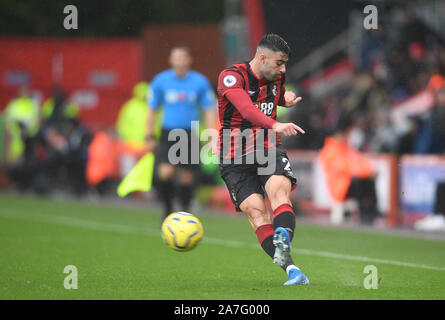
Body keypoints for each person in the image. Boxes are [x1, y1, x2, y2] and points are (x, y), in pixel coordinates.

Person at [216, 33, 309, 286]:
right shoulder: (231, 77)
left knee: (279, 192)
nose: (283, 69)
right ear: (262, 57)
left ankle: (284, 235)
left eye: (285, 63)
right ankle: (292, 270)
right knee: (257, 213)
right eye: (279, 63)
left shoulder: (277, 76)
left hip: (266, 146)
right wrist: (276, 124)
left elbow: (273, 98)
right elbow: (247, 108)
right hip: (233, 155)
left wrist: (284, 100)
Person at [146, 45, 217, 221]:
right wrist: (149, 135)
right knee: (165, 173)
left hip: (188, 132)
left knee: (187, 176)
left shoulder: (200, 82)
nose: (179, 61)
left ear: (189, 60)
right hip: (167, 132)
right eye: (176, 57)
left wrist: (212, 135)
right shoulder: (161, 81)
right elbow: (152, 110)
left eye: (183, 57)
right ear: (171, 60)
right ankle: (167, 210)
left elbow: (208, 110)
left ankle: (185, 211)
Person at [319, 114, 379, 225]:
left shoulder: (347, 148)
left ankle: (371, 212)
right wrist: (366, 172)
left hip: (349, 183)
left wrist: (370, 171)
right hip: (340, 187)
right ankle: (364, 214)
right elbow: (344, 167)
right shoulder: (329, 151)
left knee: (368, 181)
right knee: (358, 181)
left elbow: (359, 161)